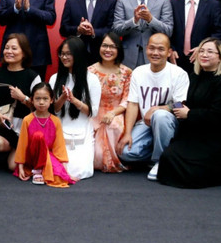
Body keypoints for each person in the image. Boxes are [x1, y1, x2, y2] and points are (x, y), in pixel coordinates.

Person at [157, 38, 221, 188]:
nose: (204, 54)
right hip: (192, 134)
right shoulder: (193, 77)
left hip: (215, 138)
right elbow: (180, 100)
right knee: (168, 156)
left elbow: (220, 116)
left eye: (210, 51)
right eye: (201, 51)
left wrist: (189, 114)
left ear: (220, 57)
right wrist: (173, 107)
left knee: (193, 172)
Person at [116, 32, 189, 181]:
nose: (155, 53)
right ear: (146, 48)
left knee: (160, 116)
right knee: (125, 153)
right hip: (146, 124)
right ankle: (167, 153)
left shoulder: (178, 73)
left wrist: (158, 108)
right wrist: (128, 133)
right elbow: (133, 103)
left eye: (161, 49)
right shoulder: (139, 72)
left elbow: (181, 103)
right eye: (152, 48)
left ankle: (160, 161)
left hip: (169, 123)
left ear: (169, 52)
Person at [0, 33, 41, 171]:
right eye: (6, 48)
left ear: (24, 53)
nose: (9, 51)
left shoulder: (33, 76)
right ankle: (19, 150)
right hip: (5, 126)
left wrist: (23, 98)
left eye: (14, 48)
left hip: (25, 127)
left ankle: (20, 150)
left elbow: (41, 106)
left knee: (12, 167)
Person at [49, 37, 101, 180]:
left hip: (83, 129)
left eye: (68, 54)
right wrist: (63, 99)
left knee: (81, 171)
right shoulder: (54, 78)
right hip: (61, 129)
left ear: (78, 54)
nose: (64, 57)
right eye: (62, 54)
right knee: (58, 170)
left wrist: (74, 101)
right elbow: (54, 110)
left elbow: (93, 112)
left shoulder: (92, 79)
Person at [112, 0, 173, 69]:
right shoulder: (122, 0)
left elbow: (168, 31)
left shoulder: (163, 0)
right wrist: (134, 21)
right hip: (128, 57)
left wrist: (150, 20)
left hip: (154, 56)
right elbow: (116, 30)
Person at [14, 83, 75, 187]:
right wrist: (20, 167)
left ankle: (43, 169)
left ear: (51, 100)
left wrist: (66, 171)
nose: (41, 102)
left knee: (59, 177)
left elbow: (59, 147)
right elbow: (22, 144)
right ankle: (37, 170)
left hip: (47, 155)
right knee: (38, 136)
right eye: (37, 99)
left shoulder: (55, 121)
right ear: (32, 100)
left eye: (45, 99)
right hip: (32, 157)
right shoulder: (27, 120)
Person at [89, 32, 132, 173]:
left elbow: (127, 100)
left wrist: (113, 113)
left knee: (112, 125)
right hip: (94, 113)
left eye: (112, 47)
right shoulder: (89, 71)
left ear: (118, 49)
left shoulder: (126, 72)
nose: (108, 50)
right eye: (105, 46)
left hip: (116, 113)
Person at [170, 0, 221, 74]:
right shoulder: (172, 4)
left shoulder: (213, 5)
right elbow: (166, 30)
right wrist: (170, 49)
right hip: (175, 59)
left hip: (202, 60)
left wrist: (202, 48)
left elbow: (218, 32)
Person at [59, 0, 117, 64]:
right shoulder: (71, 1)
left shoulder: (110, 2)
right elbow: (63, 29)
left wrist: (93, 32)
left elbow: (112, 29)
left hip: (101, 56)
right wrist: (78, 29)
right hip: (75, 56)